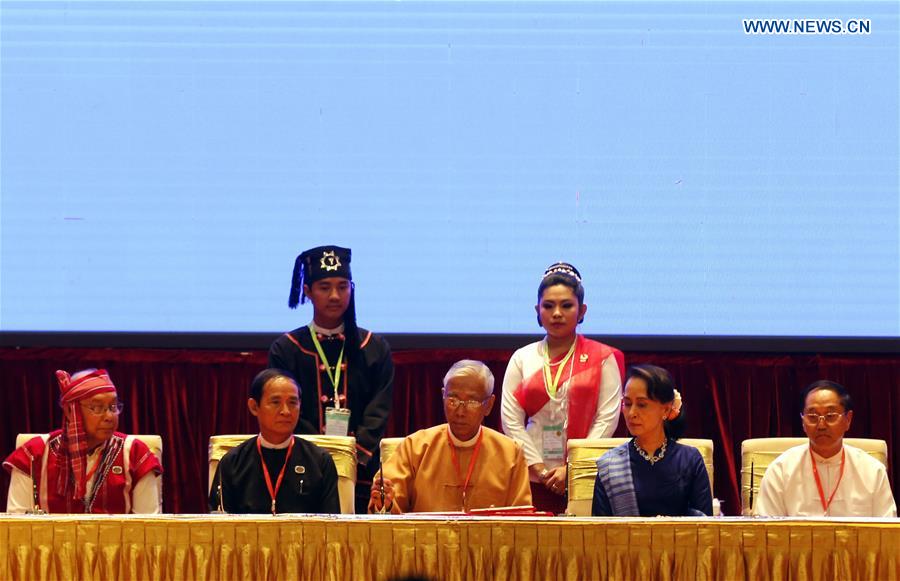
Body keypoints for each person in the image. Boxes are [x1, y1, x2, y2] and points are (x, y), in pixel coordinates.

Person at [268, 245, 394, 513]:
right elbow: (286, 411)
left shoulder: (374, 347)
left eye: (342, 286)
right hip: (302, 468)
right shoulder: (287, 348)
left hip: (362, 471)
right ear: (307, 291)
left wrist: (354, 452)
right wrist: (320, 455)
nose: (335, 295)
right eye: (324, 287)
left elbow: (379, 408)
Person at [501, 262, 623, 513]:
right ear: (537, 310)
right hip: (531, 478)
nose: (557, 313)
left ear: (581, 310)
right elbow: (510, 421)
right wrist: (540, 470)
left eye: (566, 305)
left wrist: (572, 468)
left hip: (584, 477)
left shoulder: (603, 358)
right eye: (548, 306)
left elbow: (607, 420)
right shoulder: (522, 358)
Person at [368, 360, 531, 514]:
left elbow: (521, 522)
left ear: (488, 405)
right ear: (443, 396)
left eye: (472, 402)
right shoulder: (415, 447)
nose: (460, 412)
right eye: (453, 400)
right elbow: (387, 509)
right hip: (427, 542)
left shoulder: (510, 453)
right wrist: (386, 504)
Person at [3, 369, 162, 514]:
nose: (109, 416)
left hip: (118, 545)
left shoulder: (135, 454)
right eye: (97, 408)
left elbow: (149, 528)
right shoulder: (33, 454)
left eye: (113, 406)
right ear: (70, 411)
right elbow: (17, 526)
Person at [754, 380, 896, 517]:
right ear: (803, 421)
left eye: (830, 416)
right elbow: (766, 532)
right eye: (812, 416)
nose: (821, 425)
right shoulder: (781, 470)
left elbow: (886, 531)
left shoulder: (872, 471)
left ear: (848, 419)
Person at [209, 368, 340, 514]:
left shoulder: (320, 461)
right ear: (254, 407)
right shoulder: (232, 462)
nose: (286, 411)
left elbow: (332, 527)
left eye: (292, 402)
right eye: (275, 402)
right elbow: (219, 527)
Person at [592, 364, 711, 516]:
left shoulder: (690, 460)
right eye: (627, 404)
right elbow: (598, 531)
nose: (632, 413)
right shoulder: (610, 465)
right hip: (623, 541)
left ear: (666, 409)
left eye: (642, 405)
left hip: (680, 540)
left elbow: (706, 527)